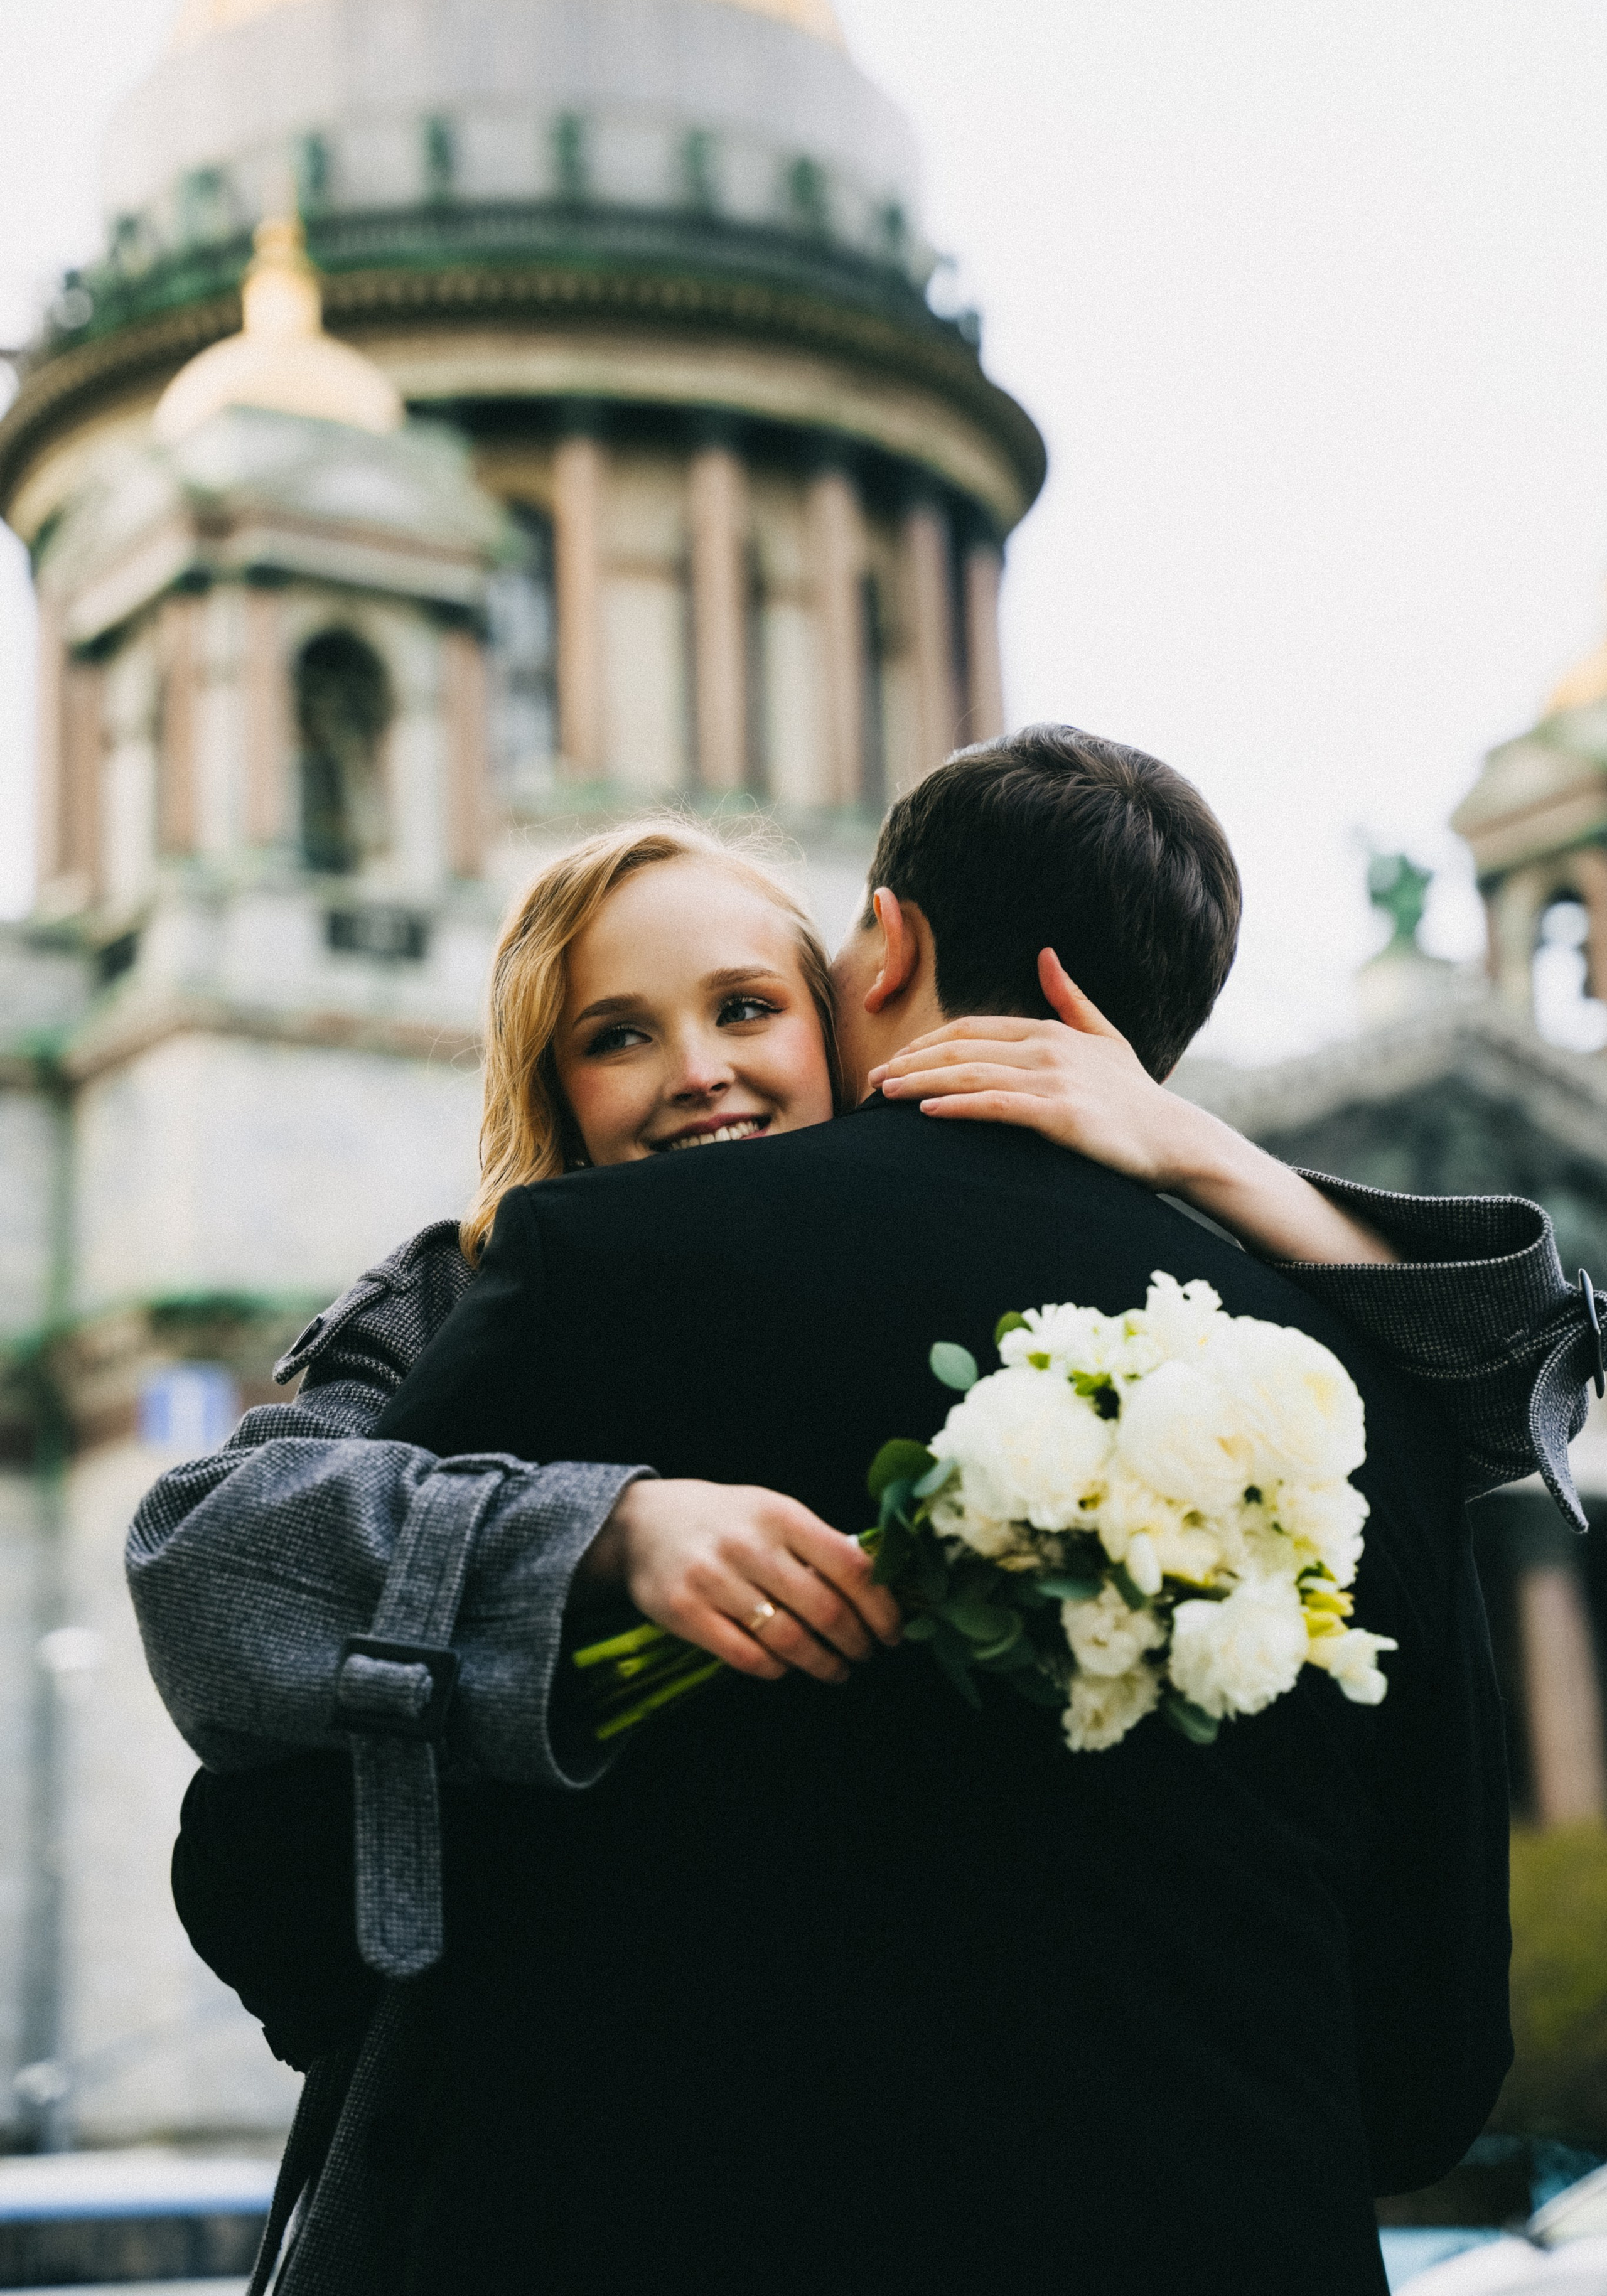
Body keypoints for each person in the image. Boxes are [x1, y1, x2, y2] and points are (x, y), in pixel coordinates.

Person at [126, 728, 1594, 2295]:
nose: (699, 1071)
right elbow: (1427, 2064)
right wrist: (608, 1530)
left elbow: (266, 1857)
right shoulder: (1357, 1396)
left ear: (868, 961)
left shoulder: (595, 1282)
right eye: (614, 1035)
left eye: (750, 1006)